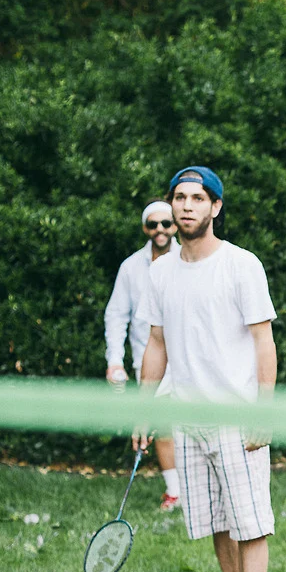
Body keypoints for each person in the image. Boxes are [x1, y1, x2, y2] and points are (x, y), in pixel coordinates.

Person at [134, 166, 278, 572]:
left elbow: (264, 340)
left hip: (236, 416)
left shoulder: (241, 265)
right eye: (180, 197)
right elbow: (156, 343)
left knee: (249, 522)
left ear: (215, 207)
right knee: (217, 520)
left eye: (198, 198)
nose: (187, 205)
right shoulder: (160, 272)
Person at [105, 200, 181, 511]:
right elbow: (116, 315)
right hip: (148, 358)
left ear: (175, 225)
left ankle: (198, 488)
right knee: (161, 425)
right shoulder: (130, 267)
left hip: (189, 360)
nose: (160, 229)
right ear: (145, 228)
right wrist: (114, 360)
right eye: (153, 224)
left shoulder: (189, 260)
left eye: (166, 223)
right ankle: (175, 491)